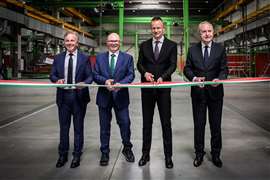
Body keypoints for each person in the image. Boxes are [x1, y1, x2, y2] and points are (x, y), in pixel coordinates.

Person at [183, 21, 228, 168]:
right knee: (199, 125)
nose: (207, 34)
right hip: (198, 94)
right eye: (204, 31)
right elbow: (187, 69)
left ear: (213, 32)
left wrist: (219, 79)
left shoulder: (220, 49)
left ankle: (216, 154)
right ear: (199, 34)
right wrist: (194, 78)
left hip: (215, 94)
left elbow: (224, 69)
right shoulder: (192, 50)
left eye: (209, 31)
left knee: (216, 126)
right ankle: (199, 154)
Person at [137, 17, 177, 169]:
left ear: (163, 29)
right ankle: (145, 154)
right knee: (147, 124)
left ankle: (168, 157)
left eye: (158, 28)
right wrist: (145, 73)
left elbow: (173, 65)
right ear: (151, 29)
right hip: (147, 90)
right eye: (153, 28)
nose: (156, 30)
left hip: (163, 90)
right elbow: (139, 63)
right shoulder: (144, 45)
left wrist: (163, 77)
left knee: (166, 124)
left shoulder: (171, 45)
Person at [50, 31, 93, 168]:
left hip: (79, 96)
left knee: (78, 127)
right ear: (64, 42)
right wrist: (57, 80)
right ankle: (62, 154)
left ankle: (76, 155)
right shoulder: (57, 58)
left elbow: (90, 77)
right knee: (64, 127)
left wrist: (83, 83)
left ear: (77, 43)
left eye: (72, 40)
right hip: (63, 97)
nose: (69, 43)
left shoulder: (84, 58)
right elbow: (52, 75)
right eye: (67, 40)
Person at [93, 32, 135, 166]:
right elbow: (95, 75)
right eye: (111, 41)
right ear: (107, 43)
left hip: (121, 97)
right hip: (104, 97)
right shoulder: (99, 58)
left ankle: (127, 148)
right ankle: (104, 151)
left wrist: (120, 84)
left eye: (116, 41)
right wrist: (105, 81)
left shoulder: (128, 58)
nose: (114, 43)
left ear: (120, 42)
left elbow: (131, 75)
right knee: (104, 127)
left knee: (125, 124)